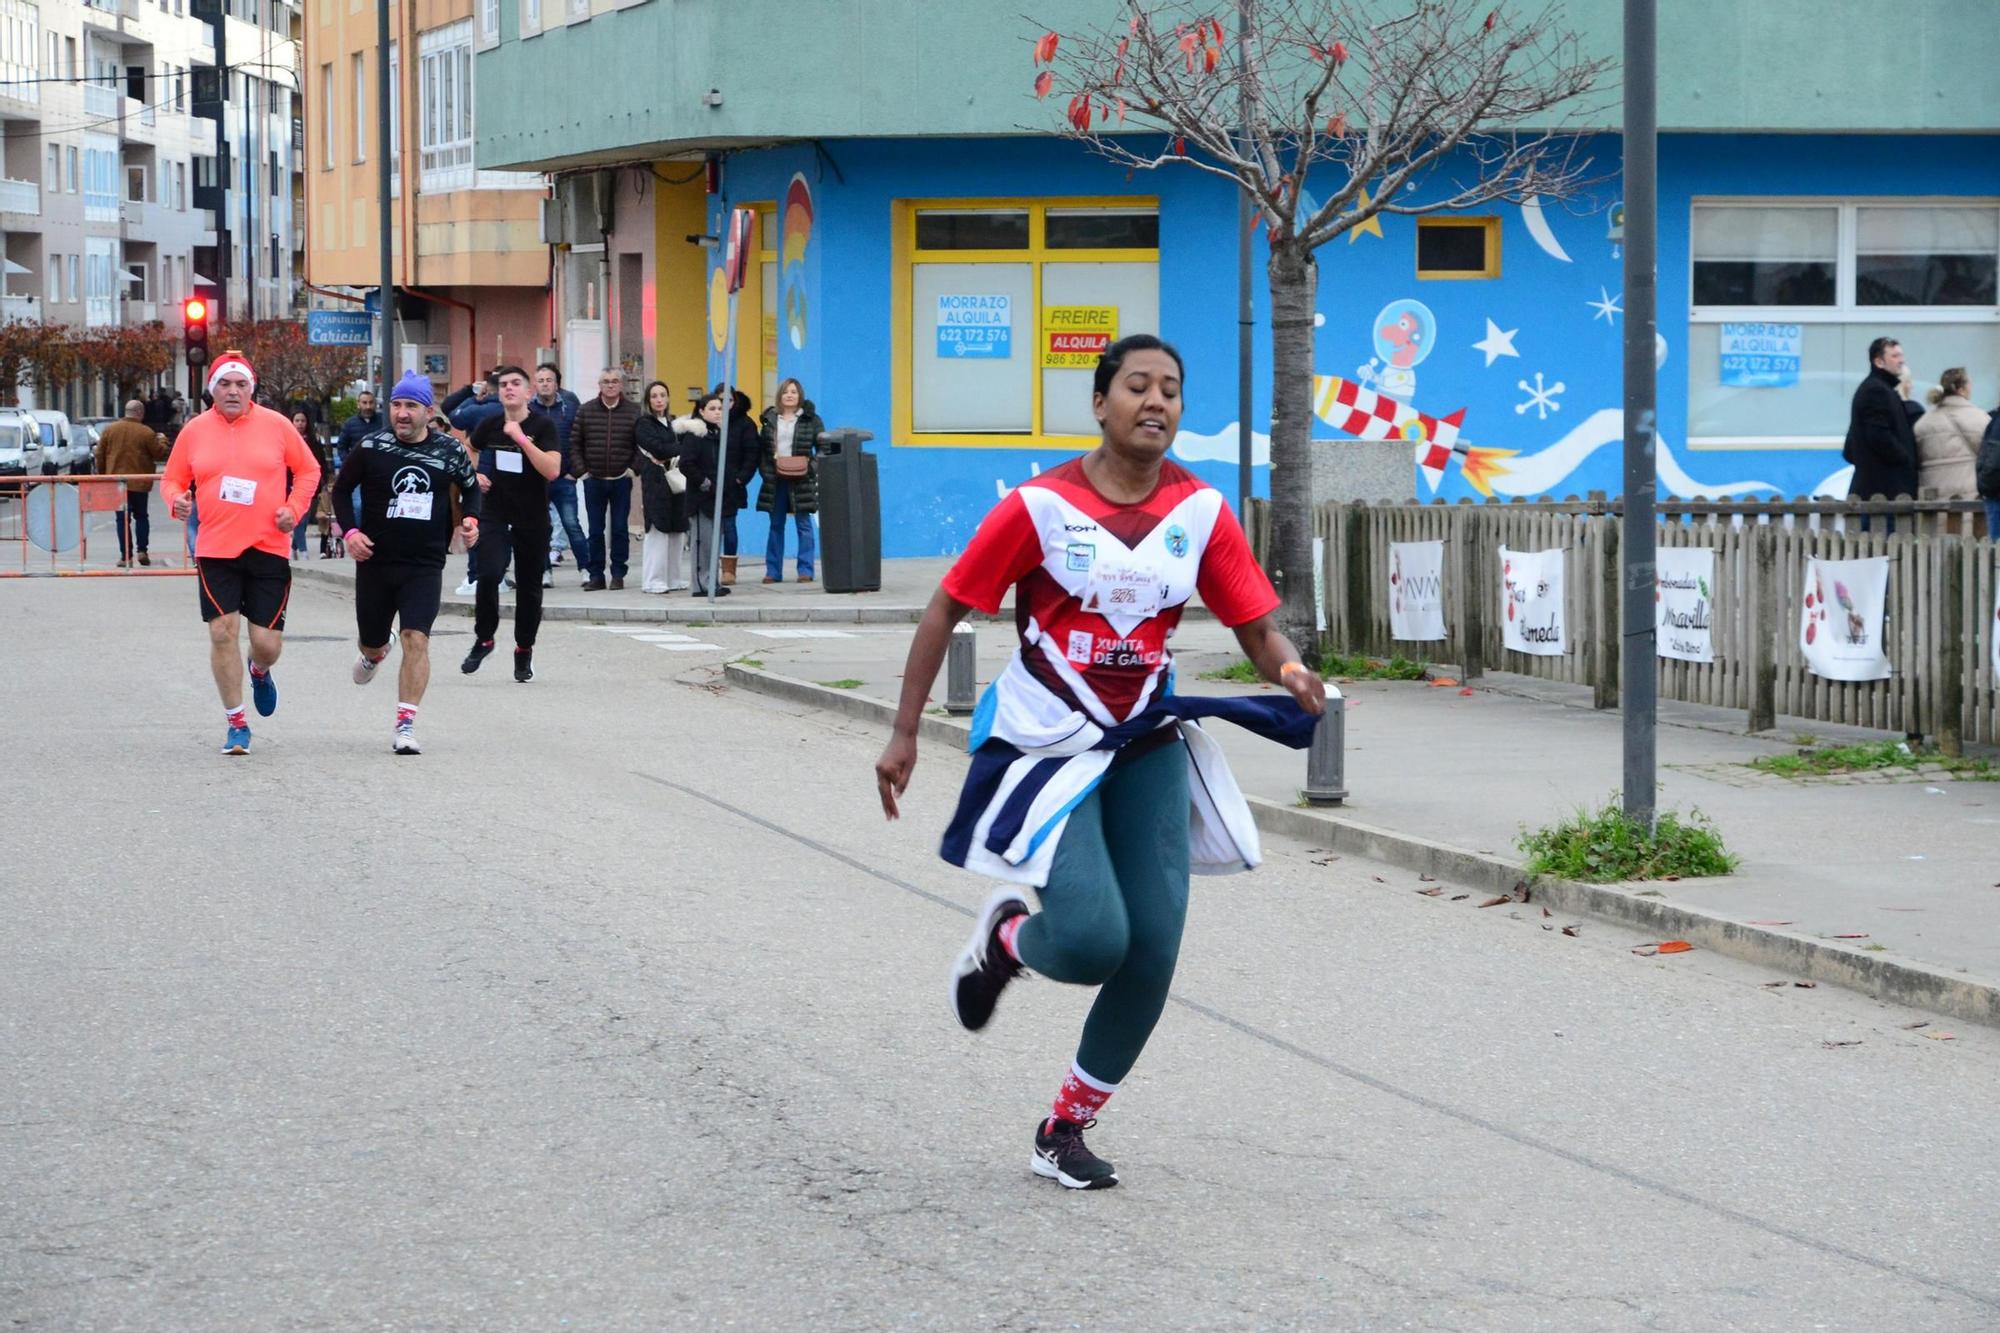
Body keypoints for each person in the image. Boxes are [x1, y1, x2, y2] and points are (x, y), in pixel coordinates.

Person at [872, 334, 1327, 1191]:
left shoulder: (1201, 513)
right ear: (1100, 402)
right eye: (1138, 387)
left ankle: (1064, 1128)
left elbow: (1256, 628)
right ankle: (1007, 937)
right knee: (1088, 940)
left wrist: (1292, 668)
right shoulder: (1039, 508)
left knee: (1152, 949)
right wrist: (903, 733)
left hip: (1144, 739)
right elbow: (945, 611)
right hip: (1046, 741)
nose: (1157, 402)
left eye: (1172, 390)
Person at [159, 351, 321, 755]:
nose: (233, 391)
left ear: (252, 388)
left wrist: (294, 509)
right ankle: (236, 722)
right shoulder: (195, 430)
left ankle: (259, 669)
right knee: (221, 631)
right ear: (213, 390)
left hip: (268, 545)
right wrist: (177, 500)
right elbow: (173, 480)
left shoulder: (277, 426)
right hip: (216, 548)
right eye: (225, 385)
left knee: (266, 644)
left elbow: (309, 471)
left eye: (241, 384)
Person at [332, 372, 482, 754]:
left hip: (424, 564)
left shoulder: (449, 450)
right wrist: (350, 533)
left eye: (410, 406)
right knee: (372, 642)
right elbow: (342, 490)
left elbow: (470, 488)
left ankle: (405, 725)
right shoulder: (371, 446)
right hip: (376, 562)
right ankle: (375, 653)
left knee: (417, 639)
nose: (401, 413)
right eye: (397, 405)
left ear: (427, 412)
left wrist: (470, 520)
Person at [462, 365, 562, 682]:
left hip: (532, 515)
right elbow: (469, 448)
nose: (508, 389)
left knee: (529, 588)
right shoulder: (490, 423)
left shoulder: (543, 426)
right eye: (503, 384)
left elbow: (552, 471)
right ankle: (485, 638)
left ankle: (523, 649)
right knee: (488, 573)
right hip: (496, 511)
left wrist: (522, 440)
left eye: (515, 383)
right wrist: (474, 475)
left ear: (528, 392)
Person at [569, 367, 642, 591]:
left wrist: (633, 469)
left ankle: (618, 574)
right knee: (595, 530)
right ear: (599, 385)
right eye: (606, 381)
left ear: (621, 385)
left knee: (620, 528)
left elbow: (641, 444)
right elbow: (574, 444)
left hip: (621, 479)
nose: (610, 385)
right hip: (594, 480)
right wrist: (583, 472)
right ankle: (596, 575)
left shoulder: (634, 411)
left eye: (614, 381)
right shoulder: (586, 410)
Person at [674, 391, 752, 598]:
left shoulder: (717, 434)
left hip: (718, 497)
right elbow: (686, 464)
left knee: (714, 542)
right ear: (701, 411)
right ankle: (701, 584)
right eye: (712, 409)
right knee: (702, 542)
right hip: (701, 499)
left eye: (720, 408)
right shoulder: (695, 435)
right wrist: (705, 482)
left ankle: (712, 581)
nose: (718, 412)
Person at [1844, 337, 1919, 533]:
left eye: (1901, 355)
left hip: (1879, 492)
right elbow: (1878, 436)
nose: (1901, 360)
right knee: (1883, 554)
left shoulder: (1882, 390)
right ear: (1879, 361)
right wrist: (1905, 459)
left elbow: (1850, 448)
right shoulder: (1876, 391)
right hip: (1883, 494)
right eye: (1894, 356)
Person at [757, 378, 823, 584]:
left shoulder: (811, 420)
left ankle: (806, 570)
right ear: (780, 395)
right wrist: (767, 472)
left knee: (804, 524)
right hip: (776, 479)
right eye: (786, 392)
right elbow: (762, 451)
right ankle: (773, 571)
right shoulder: (770, 419)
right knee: (776, 524)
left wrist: (811, 468)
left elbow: (823, 447)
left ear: (800, 395)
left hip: (801, 479)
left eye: (794, 392)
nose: (790, 395)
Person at [93, 399, 170, 567]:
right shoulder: (146, 432)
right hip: (139, 482)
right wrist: (162, 440)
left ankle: (125, 556)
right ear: (140, 413)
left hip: (117, 482)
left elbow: (99, 454)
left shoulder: (109, 430)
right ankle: (142, 550)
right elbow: (159, 454)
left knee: (122, 519)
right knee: (141, 516)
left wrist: (103, 475)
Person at [533, 363, 587, 585]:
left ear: (557, 384)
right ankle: (545, 572)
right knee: (540, 528)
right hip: (537, 481)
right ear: (535, 385)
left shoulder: (570, 408)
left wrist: (575, 472)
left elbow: (580, 440)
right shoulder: (528, 411)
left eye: (549, 380)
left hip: (564, 479)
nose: (545, 384)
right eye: (541, 380)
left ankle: (586, 569)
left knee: (571, 524)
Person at [635, 380, 691, 593]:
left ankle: (673, 577)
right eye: (654, 396)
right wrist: (676, 449)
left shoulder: (673, 423)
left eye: (663, 395)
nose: (659, 400)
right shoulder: (643, 424)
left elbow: (682, 447)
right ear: (648, 400)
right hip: (656, 481)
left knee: (677, 528)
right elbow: (657, 449)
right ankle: (653, 579)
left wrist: (675, 449)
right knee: (658, 528)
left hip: (676, 480)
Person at [1913, 367, 1988, 504]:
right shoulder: (1981, 419)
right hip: (1970, 499)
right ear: (1961, 390)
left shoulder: (1922, 424)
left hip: (1934, 503)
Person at [288, 411, 330, 560]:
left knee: (304, 521)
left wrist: (324, 481)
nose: (300, 424)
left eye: (303, 421)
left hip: (310, 485)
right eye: (297, 420)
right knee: (300, 518)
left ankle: (294, 547)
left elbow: (321, 463)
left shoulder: (313, 442)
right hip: (291, 486)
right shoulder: (287, 440)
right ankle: (303, 551)